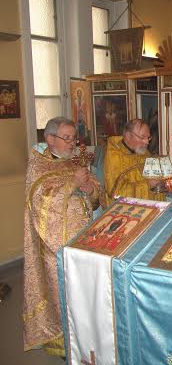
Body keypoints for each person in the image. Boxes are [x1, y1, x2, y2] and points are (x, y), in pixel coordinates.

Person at [23, 117, 100, 356]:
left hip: (83, 240)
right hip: (54, 244)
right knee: (62, 294)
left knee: (84, 293)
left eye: (73, 138)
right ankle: (64, 346)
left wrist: (90, 189)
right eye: (66, 138)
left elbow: (94, 198)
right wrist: (71, 185)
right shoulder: (39, 165)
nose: (72, 143)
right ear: (50, 139)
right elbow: (40, 203)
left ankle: (87, 338)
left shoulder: (72, 162)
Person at [103, 118, 165, 207]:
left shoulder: (144, 152)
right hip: (124, 212)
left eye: (148, 138)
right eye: (142, 137)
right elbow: (115, 194)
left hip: (148, 208)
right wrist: (148, 184)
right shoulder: (114, 157)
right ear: (128, 136)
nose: (147, 142)